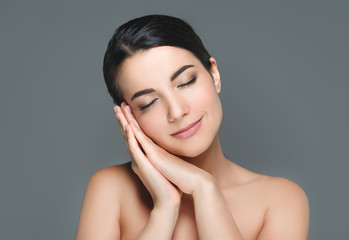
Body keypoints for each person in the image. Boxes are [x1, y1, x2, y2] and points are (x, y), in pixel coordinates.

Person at [75, 14, 309, 240]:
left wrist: (204, 188)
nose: (177, 112)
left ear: (214, 74)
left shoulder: (280, 200)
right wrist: (165, 209)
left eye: (186, 82)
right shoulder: (111, 188)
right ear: (128, 116)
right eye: (148, 103)